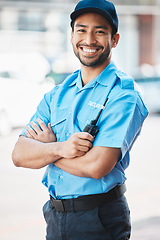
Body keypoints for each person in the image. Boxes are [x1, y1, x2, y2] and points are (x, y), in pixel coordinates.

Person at [12, 0, 148, 239]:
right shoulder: (58, 93)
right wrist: (63, 148)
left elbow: (97, 166)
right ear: (72, 35)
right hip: (55, 216)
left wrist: (46, 151)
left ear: (114, 40)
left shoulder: (123, 96)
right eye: (82, 29)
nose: (89, 39)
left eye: (100, 31)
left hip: (99, 218)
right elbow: (20, 154)